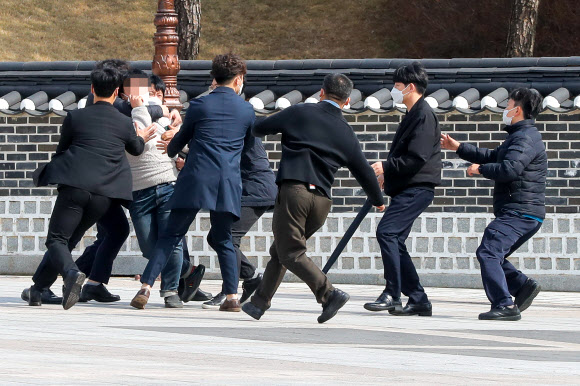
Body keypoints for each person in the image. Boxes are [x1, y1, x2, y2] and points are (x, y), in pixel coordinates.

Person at [242, 73, 385, 324]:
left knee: (290, 251)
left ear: (322, 92)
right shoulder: (346, 132)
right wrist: (377, 199)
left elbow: (258, 128)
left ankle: (328, 293)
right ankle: (259, 303)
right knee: (282, 249)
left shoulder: (300, 112)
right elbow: (364, 170)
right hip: (321, 202)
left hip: (294, 193)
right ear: (347, 101)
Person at [130, 53, 255, 312]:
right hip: (226, 180)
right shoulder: (247, 109)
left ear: (214, 78)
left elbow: (177, 143)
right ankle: (232, 296)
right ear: (239, 79)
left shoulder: (200, 106)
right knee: (224, 240)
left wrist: (172, 141)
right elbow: (247, 148)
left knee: (171, 235)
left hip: (196, 177)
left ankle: (146, 287)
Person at [29, 65, 155, 310]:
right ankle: (38, 289)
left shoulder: (76, 117)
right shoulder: (123, 122)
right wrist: (141, 136)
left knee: (56, 239)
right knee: (68, 240)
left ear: (92, 89)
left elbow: (62, 151)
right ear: (117, 91)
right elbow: (136, 149)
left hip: (75, 186)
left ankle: (71, 274)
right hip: (105, 194)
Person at [441, 87, 546, 321]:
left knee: (489, 251)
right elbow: (493, 157)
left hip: (520, 211)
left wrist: (480, 170)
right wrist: (459, 148)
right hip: (523, 211)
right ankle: (522, 286)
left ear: (517, 109)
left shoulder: (525, 138)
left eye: (507, 106)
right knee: (492, 252)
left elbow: (510, 169)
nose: (505, 110)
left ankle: (505, 304)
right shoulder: (520, 136)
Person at [364, 62, 441, 317]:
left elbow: (417, 157)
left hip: (417, 188)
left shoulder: (423, 115)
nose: (393, 90)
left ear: (409, 87)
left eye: (396, 86)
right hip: (409, 188)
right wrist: (389, 173)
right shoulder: (414, 114)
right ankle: (418, 298)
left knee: (386, 232)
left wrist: (386, 166)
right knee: (395, 239)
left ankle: (392, 293)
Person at [125, 72, 205, 308]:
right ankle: (187, 271)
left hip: (168, 184)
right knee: (149, 246)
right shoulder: (123, 116)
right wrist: (139, 108)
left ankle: (170, 290)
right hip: (139, 190)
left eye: (146, 92)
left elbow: (186, 144)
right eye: (135, 91)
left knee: (173, 240)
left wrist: (177, 133)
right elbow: (135, 148)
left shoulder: (165, 117)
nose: (141, 97)